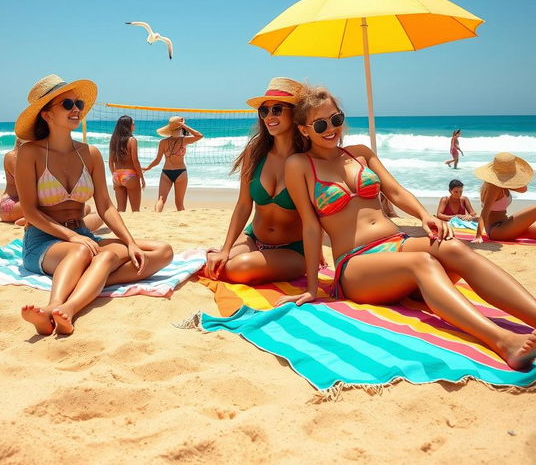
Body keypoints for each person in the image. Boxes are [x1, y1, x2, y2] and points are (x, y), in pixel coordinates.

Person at [281, 84, 536, 370]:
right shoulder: (299, 165)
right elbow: (311, 226)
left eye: (336, 119)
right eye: (320, 124)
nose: (332, 129)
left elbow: (397, 192)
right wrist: (314, 287)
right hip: (355, 265)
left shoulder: (360, 153)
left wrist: (424, 216)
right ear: (304, 130)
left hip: (396, 242)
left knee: (452, 246)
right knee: (422, 262)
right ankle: (503, 341)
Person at [14, 74, 173, 335]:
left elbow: (106, 206)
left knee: (162, 251)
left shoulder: (90, 154)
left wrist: (130, 242)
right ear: (46, 114)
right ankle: (57, 306)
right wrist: (70, 237)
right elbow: (30, 211)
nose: (76, 109)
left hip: (83, 236)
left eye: (78, 104)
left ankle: (76, 297)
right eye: (67, 104)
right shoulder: (30, 153)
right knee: (83, 253)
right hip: (43, 240)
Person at [203, 77, 309, 285]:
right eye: (264, 111)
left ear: (295, 113)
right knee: (217, 262)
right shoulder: (255, 151)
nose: (269, 116)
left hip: (292, 249)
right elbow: (243, 205)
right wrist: (226, 248)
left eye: (277, 109)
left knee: (236, 269)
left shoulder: (308, 157)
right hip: (253, 237)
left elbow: (320, 213)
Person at [0, 139, 103, 230]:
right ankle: (29, 220)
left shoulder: (33, 155)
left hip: (20, 206)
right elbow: (29, 187)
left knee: (84, 208)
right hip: (11, 205)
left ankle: (32, 220)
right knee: (56, 204)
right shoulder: (15, 156)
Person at [143, 116, 203, 211]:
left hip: (166, 172)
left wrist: (148, 167)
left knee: (161, 199)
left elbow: (157, 160)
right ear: (181, 127)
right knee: (179, 203)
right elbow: (199, 136)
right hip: (181, 173)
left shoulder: (163, 142)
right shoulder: (184, 140)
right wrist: (186, 127)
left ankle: (155, 216)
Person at [473, 153, 536, 243]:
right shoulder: (494, 187)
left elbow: (523, 189)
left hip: (506, 225)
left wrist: (508, 182)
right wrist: (478, 235)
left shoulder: (502, 185)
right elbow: (485, 211)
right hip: (496, 230)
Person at [108, 115, 145, 212]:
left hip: (117, 175)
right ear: (128, 126)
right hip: (130, 175)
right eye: (133, 124)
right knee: (135, 210)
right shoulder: (132, 140)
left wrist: (114, 175)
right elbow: (135, 160)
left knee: (120, 210)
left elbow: (110, 161)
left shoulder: (114, 140)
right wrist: (141, 177)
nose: (134, 126)